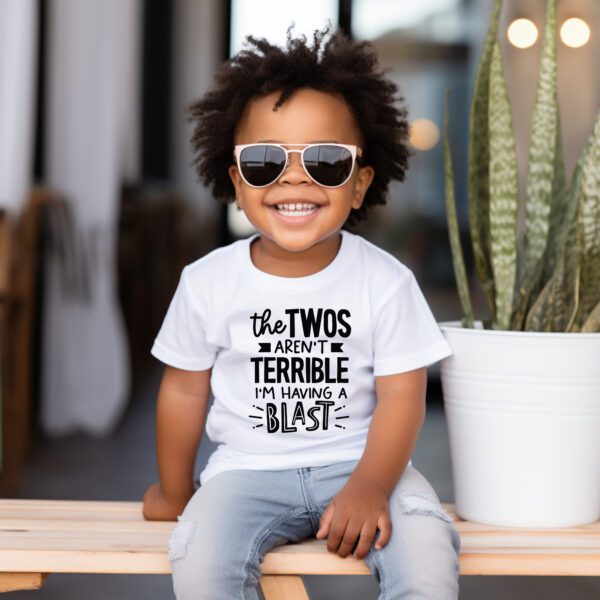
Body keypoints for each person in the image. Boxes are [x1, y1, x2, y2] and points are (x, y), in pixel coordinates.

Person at [142, 22, 461, 600]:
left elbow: (402, 395)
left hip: (366, 465)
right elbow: (184, 390)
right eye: (265, 161)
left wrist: (370, 484)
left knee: (428, 551)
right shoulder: (208, 282)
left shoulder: (385, 282)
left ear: (360, 183)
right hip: (243, 475)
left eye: (327, 161)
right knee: (199, 557)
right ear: (236, 182)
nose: (295, 176)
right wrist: (171, 492)